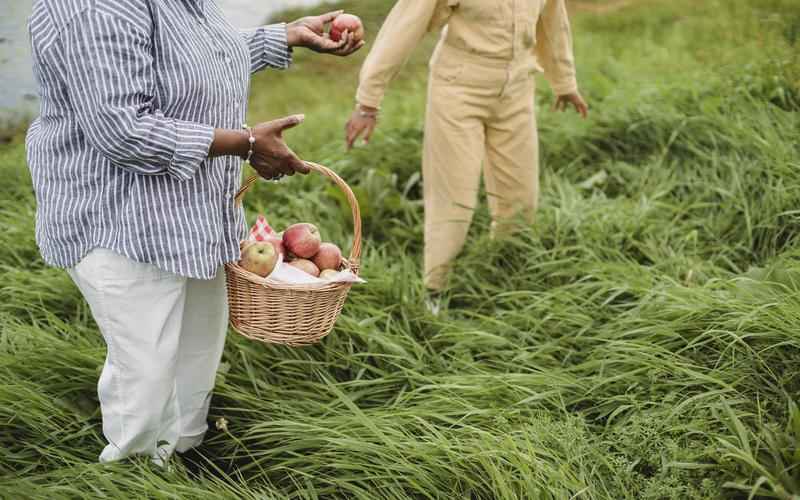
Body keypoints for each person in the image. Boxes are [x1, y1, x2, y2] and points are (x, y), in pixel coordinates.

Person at [25, 0, 362, 464]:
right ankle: (134, 473)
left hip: (194, 214)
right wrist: (245, 143)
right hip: (125, 222)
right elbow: (125, 131)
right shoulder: (93, 7)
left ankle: (186, 455)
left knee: (196, 355)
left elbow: (190, 57)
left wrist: (286, 36)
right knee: (144, 376)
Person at [346, 0, 588, 297]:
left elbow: (552, 23)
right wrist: (368, 102)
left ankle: (507, 280)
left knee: (521, 200)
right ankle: (435, 291)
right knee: (454, 201)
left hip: (517, 91)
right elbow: (403, 27)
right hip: (458, 91)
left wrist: (565, 82)